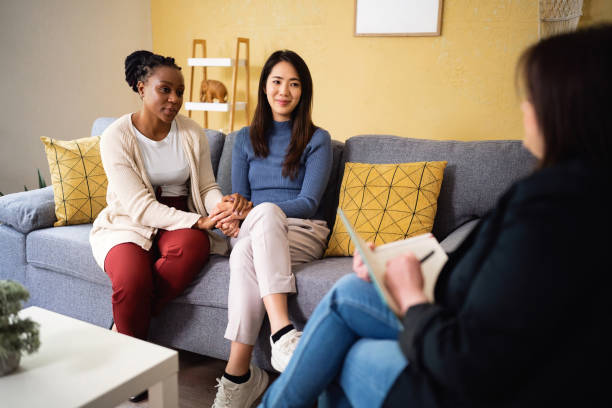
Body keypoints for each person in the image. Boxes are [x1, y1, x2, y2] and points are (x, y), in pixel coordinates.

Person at [259, 25, 612, 408]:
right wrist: (393, 269)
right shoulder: (569, 192)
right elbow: (495, 281)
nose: (525, 107)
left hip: (464, 373)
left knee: (343, 351)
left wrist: (411, 296)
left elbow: (469, 360)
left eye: (533, 96)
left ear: (566, 109)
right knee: (350, 291)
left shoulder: (552, 209)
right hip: (457, 321)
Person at [90, 50, 249, 401]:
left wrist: (219, 208)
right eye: (165, 90)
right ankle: (134, 363)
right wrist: (201, 221)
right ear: (141, 87)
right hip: (129, 222)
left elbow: (206, 188)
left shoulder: (191, 131)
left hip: (182, 214)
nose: (175, 99)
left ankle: (125, 333)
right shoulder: (116, 137)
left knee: (193, 247)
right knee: (131, 278)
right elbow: (139, 206)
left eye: (180, 90)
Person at [211, 50, 333, 408]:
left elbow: (310, 202)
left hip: (303, 230)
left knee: (254, 234)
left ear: (303, 92)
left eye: (294, 84)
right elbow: (241, 197)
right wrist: (234, 213)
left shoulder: (317, 139)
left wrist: (257, 212)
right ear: (265, 87)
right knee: (245, 249)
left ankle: (250, 365)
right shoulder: (244, 139)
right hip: (255, 231)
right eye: (277, 82)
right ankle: (249, 368)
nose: (285, 91)